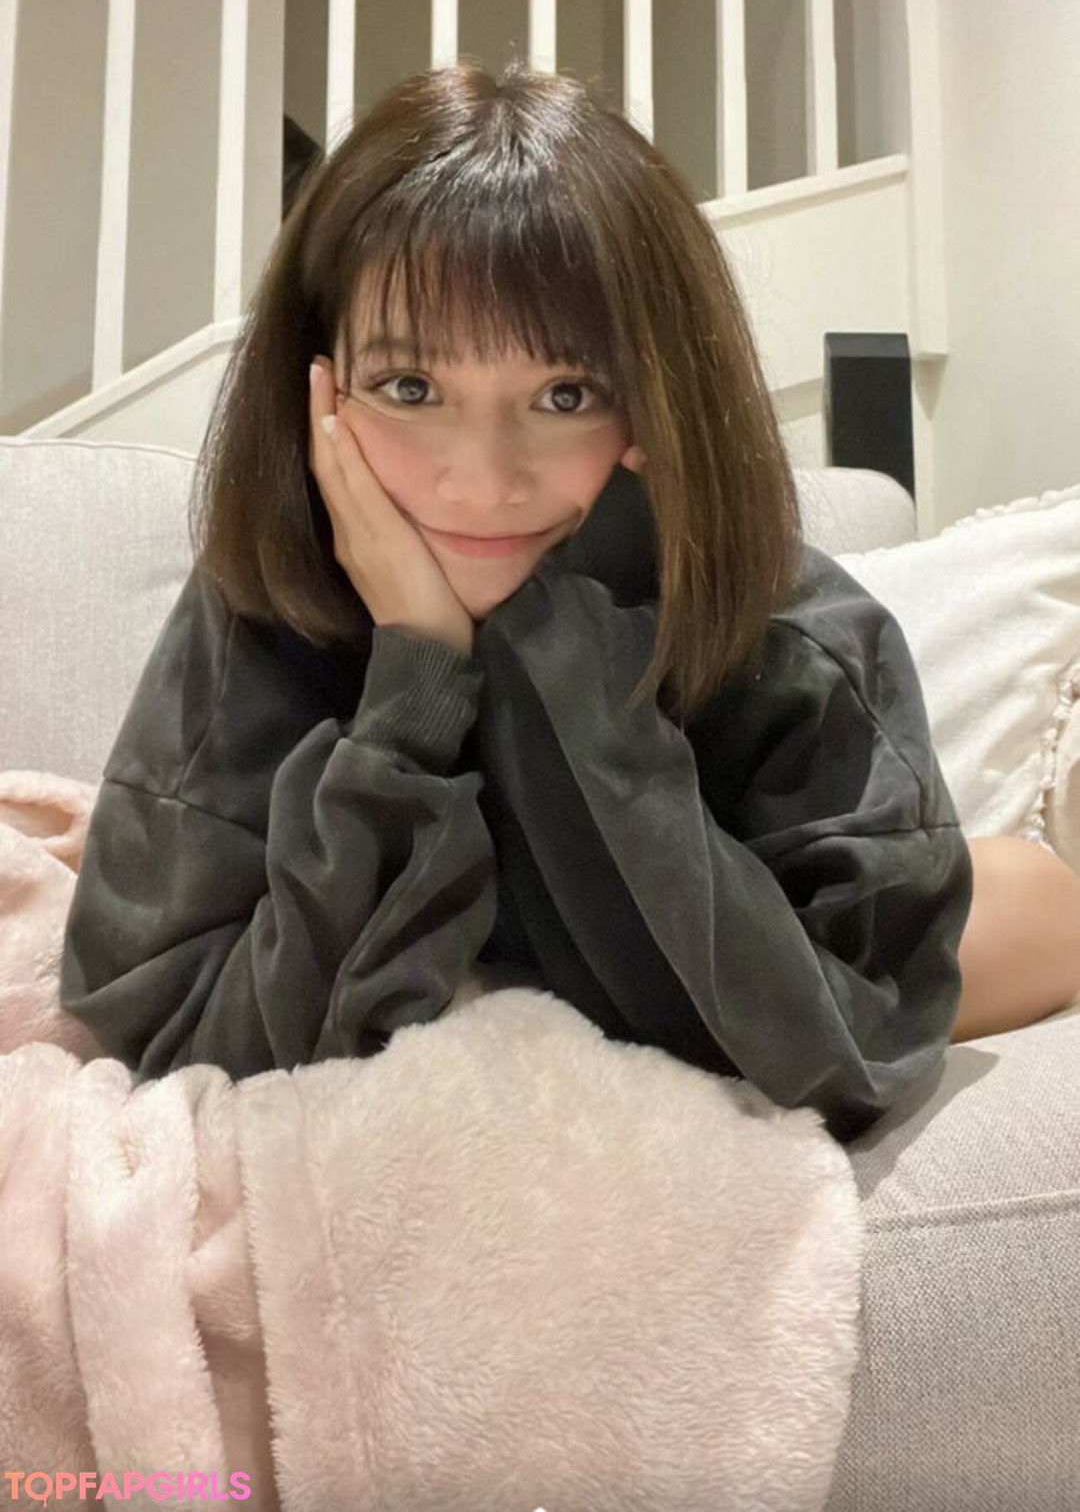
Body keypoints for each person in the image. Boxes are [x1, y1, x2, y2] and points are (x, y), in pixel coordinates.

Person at [60, 61, 1080, 1145]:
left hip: (829, 898)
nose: (481, 479)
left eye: (564, 393)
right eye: (412, 387)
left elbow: (846, 1048)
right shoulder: (266, 603)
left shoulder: (794, 634)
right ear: (319, 386)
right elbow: (166, 1038)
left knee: (1044, 910)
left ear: (657, 393)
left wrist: (566, 652)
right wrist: (414, 687)